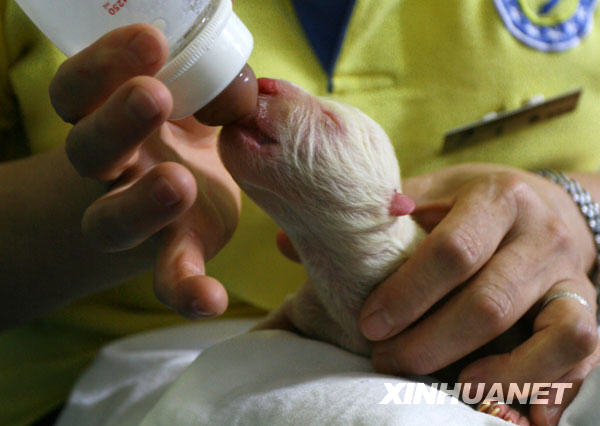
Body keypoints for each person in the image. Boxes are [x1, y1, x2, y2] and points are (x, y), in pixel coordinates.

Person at [1, 0, 599, 424]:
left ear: (400, 206)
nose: (268, 87)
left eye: (331, 125)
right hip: (149, 365)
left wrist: (582, 207)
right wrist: (102, 200)